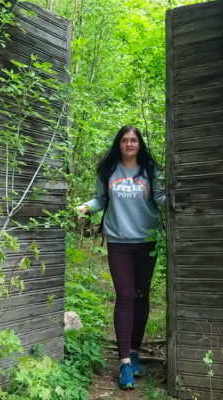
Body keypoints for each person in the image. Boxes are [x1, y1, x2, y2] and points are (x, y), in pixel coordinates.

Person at [77, 125, 165, 390]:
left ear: (140, 144)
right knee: (125, 297)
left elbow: (161, 197)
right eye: (125, 140)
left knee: (141, 296)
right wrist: (85, 207)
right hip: (118, 242)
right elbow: (99, 200)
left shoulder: (151, 171)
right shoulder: (108, 171)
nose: (129, 144)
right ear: (119, 144)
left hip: (147, 241)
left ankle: (136, 352)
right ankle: (125, 362)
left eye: (133, 140)